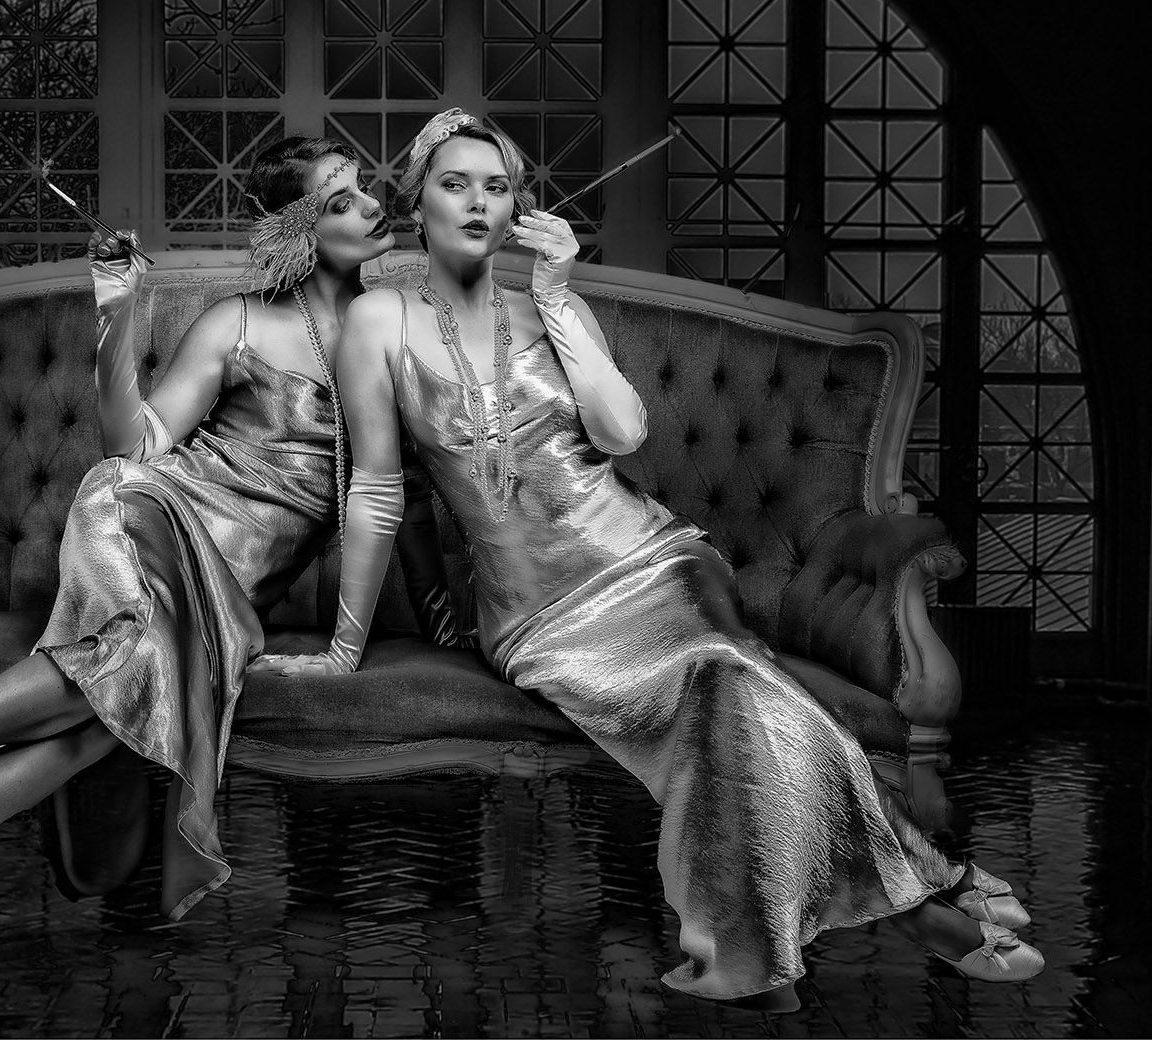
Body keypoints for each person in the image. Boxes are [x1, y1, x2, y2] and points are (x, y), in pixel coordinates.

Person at [252, 108, 1043, 1011]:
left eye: (496, 187)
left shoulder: (551, 309)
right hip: (538, 614)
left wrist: (557, 296)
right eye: (454, 183)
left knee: (726, 673)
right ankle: (932, 882)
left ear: (517, 211)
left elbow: (622, 433)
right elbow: (377, 490)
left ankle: (793, 941)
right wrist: (345, 647)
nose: (476, 202)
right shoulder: (378, 319)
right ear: (417, 202)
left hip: (654, 562)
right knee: (735, 680)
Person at [0, 136, 462, 974]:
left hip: (225, 596)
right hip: (154, 514)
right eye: (340, 200)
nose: (372, 206)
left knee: (94, 730)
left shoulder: (392, 336)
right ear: (295, 231)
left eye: (364, 189)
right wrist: (118, 306)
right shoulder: (236, 322)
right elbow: (136, 444)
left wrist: (448, 627)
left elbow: (403, 502)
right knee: (122, 666)